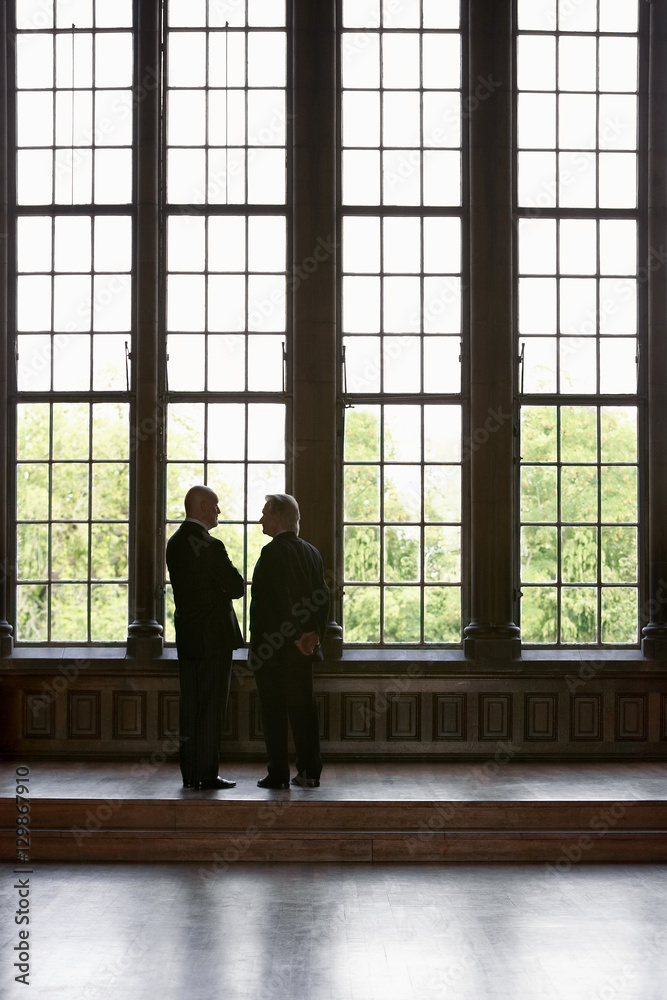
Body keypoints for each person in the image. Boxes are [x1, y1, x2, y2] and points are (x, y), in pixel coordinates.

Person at [166, 485, 244, 791]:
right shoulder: (211, 546)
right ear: (200, 507)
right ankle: (207, 774)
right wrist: (221, 589)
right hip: (215, 638)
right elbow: (236, 586)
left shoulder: (174, 543)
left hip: (188, 636)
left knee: (191, 707)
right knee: (211, 708)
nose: (218, 511)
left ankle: (190, 775)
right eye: (214, 506)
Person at [249, 493, 329, 790]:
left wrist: (294, 636)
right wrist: (312, 635)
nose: (261, 519)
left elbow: (273, 604)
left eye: (264, 513)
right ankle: (310, 772)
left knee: (274, 713)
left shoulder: (271, 554)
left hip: (273, 651)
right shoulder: (312, 552)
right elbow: (323, 598)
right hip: (304, 651)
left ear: (279, 517)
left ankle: (278, 774)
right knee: (304, 711)